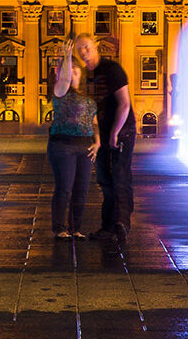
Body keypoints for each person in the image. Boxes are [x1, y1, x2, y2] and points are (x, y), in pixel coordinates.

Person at [77, 34, 135, 242]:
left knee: (120, 177)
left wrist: (114, 132)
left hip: (122, 130)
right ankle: (108, 226)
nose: (83, 51)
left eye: (86, 46)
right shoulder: (86, 75)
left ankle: (121, 224)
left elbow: (124, 104)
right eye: (79, 49)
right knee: (103, 179)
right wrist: (97, 137)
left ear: (95, 45)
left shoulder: (112, 69)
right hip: (102, 133)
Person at [46, 38, 99, 239]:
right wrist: (67, 57)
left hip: (85, 146)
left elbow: (94, 121)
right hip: (63, 145)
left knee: (82, 190)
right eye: (69, 72)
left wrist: (98, 142)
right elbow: (65, 80)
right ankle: (59, 228)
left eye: (76, 71)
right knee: (65, 188)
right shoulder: (60, 91)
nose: (73, 75)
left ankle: (76, 228)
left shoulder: (87, 97)